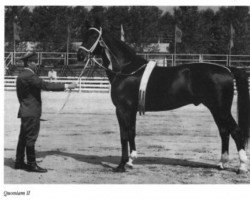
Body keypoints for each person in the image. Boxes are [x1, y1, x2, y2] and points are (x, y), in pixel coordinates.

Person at [15, 52, 77, 173]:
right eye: (35, 62)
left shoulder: (21, 75)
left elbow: (20, 96)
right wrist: (67, 86)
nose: (36, 64)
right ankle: (32, 164)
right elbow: (46, 85)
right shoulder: (30, 76)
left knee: (23, 138)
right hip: (32, 112)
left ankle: (19, 162)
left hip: (25, 111)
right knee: (30, 138)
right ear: (30, 63)